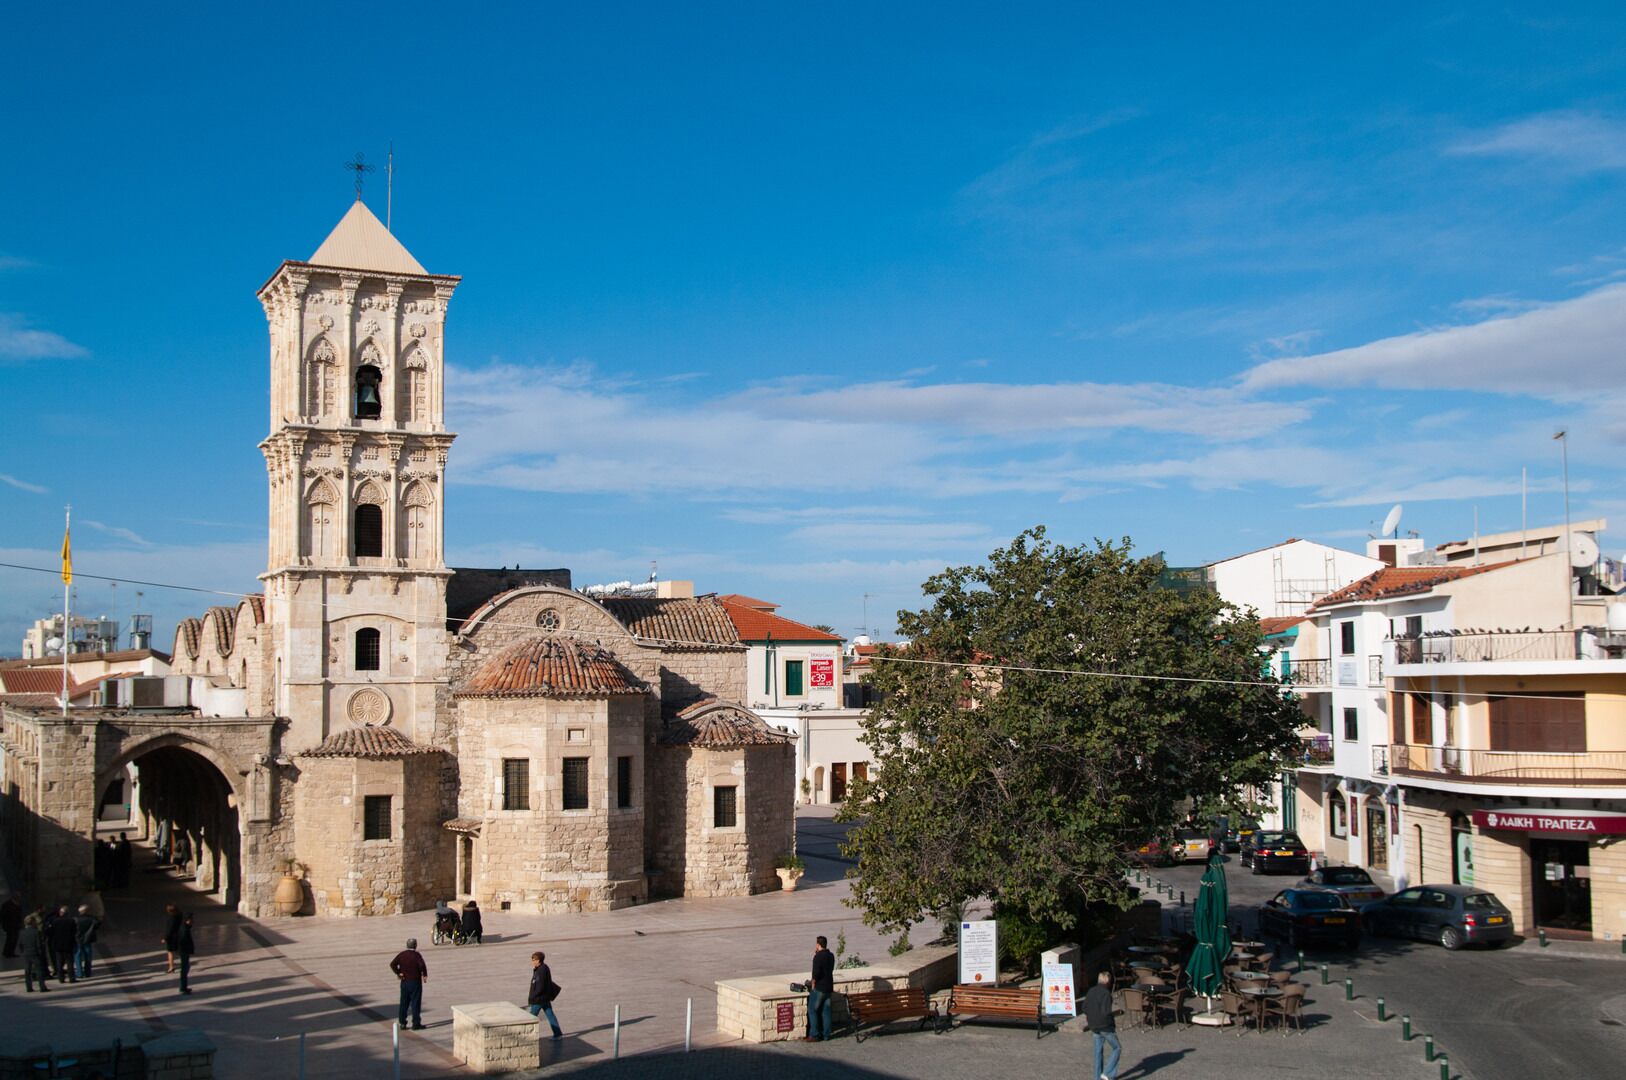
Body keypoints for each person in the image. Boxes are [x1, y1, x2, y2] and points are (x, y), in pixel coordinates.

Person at [1083, 969, 1121, 1080]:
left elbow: (1084, 1007)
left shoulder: (1091, 991)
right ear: (1108, 981)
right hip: (1105, 1026)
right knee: (1117, 1048)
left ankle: (1097, 1078)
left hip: (1093, 1025)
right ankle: (1108, 1073)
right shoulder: (1106, 994)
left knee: (1097, 1052)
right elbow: (1106, 1012)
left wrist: (1091, 1016)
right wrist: (1112, 1024)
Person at [390, 938, 428, 1030]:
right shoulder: (416, 955)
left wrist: (399, 972)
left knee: (404, 1003)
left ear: (407, 945)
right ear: (415, 945)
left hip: (404, 981)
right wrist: (424, 974)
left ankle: (402, 1023)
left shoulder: (402, 954)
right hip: (415, 982)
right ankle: (416, 1023)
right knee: (415, 1003)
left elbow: (392, 964)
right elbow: (422, 965)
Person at [803, 935, 835, 1042]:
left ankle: (814, 1034)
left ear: (818, 945)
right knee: (826, 1011)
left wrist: (812, 985)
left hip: (820, 988)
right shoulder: (831, 955)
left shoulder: (818, 957)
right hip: (829, 987)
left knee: (812, 1010)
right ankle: (826, 1035)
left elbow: (815, 974)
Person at [526, 951, 564, 1039]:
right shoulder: (543, 967)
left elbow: (540, 986)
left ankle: (527, 1036)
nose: (532, 962)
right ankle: (558, 1034)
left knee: (530, 1018)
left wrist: (533, 997)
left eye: (534, 960)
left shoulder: (541, 970)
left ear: (539, 960)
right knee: (550, 1015)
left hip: (539, 999)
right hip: (545, 998)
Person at [47, 905, 78, 983]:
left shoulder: (55, 921)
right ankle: (72, 978)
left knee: (59, 962)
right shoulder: (71, 921)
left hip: (58, 945)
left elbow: (50, 932)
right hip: (68, 944)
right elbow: (74, 931)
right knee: (69, 962)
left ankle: (61, 978)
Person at [20, 913, 50, 992]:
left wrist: (23, 952)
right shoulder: (36, 932)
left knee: (27, 971)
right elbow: (39, 944)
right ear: (32, 922)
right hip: (35, 953)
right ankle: (42, 986)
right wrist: (40, 953)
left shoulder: (22, 932)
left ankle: (29, 987)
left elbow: (20, 944)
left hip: (26, 953)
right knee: (39, 970)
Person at [74, 904, 100, 979]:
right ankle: (88, 972)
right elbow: (97, 925)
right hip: (88, 939)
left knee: (77, 956)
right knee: (88, 956)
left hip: (78, 939)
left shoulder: (76, 919)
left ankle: (79, 973)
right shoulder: (92, 919)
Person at [174, 911, 195, 995]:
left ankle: (184, 987)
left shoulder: (185, 927)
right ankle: (183, 987)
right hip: (184, 951)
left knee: (185, 968)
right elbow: (182, 941)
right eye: (191, 919)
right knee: (184, 969)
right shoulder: (184, 929)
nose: (193, 921)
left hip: (184, 951)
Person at [162, 903, 183, 974]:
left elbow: (170, 930)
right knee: (178, 951)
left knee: (170, 952)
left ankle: (171, 967)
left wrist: (165, 938)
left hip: (172, 938)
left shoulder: (172, 918)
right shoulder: (179, 916)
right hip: (179, 936)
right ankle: (184, 963)